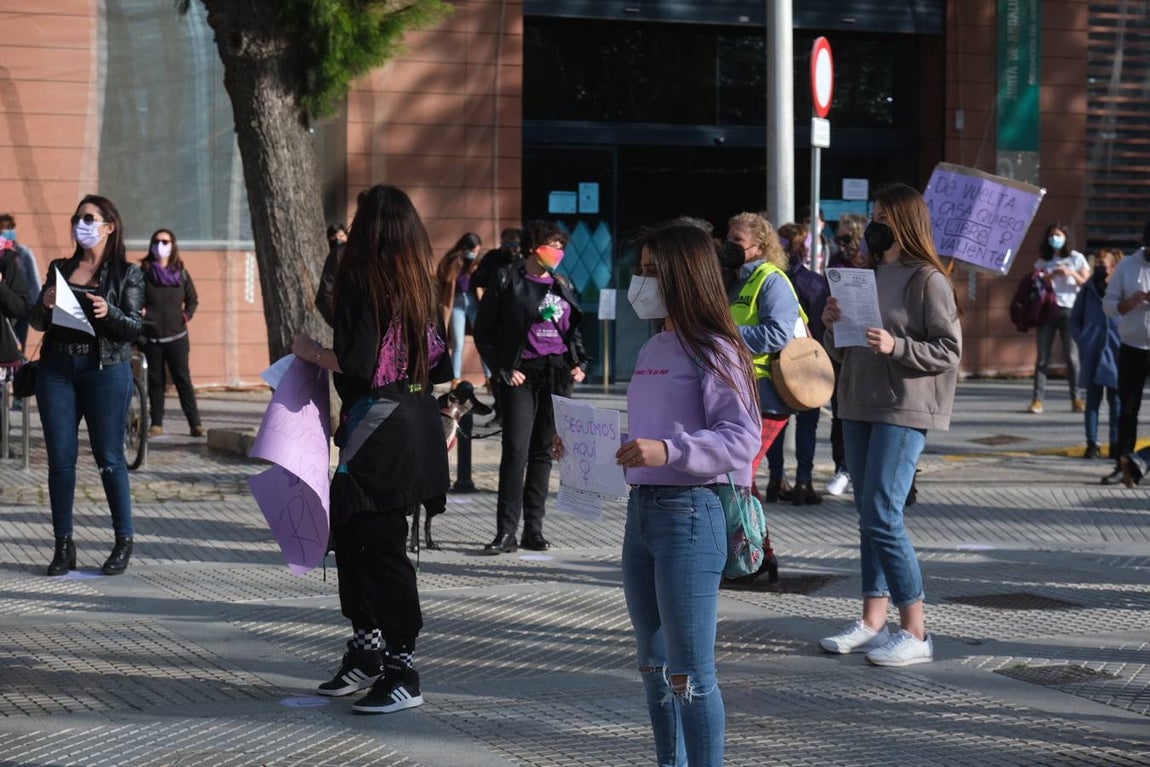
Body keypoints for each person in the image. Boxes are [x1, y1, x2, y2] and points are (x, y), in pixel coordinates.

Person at [556, 222, 759, 767]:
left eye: (652, 271)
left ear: (683, 276)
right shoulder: (654, 346)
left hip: (691, 514)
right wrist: (591, 445)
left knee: (690, 671)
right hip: (642, 514)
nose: (640, 282)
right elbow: (648, 440)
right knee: (653, 664)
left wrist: (669, 451)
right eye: (640, 270)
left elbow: (741, 438)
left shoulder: (716, 349)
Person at [292, 184, 452, 715]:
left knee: (376, 547)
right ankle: (367, 652)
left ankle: (402, 667)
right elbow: (441, 367)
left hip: (379, 431)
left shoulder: (362, 281)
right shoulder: (421, 285)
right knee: (361, 539)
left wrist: (311, 351)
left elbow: (357, 361)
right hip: (413, 424)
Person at [819, 183, 962, 667]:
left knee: (883, 512)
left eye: (883, 216)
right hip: (857, 400)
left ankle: (916, 631)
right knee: (868, 514)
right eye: (872, 215)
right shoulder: (865, 275)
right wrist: (831, 324)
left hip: (904, 406)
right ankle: (872, 621)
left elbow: (949, 349)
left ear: (905, 223)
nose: (873, 224)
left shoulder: (928, 280)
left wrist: (896, 346)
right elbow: (843, 349)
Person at [30, 195, 144, 576]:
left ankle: (123, 540)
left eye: (90, 218)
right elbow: (36, 322)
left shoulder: (128, 274)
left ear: (109, 226)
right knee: (60, 460)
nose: (82, 224)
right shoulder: (60, 268)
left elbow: (134, 327)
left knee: (109, 458)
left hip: (105, 370)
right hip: (57, 369)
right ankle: (63, 544)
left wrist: (108, 312)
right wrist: (45, 303)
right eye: (78, 218)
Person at [473, 220, 589, 554]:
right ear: (534, 247)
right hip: (521, 374)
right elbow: (483, 331)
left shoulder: (563, 283)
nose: (558, 252)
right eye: (552, 245)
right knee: (515, 451)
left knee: (543, 452)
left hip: (556, 373)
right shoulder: (507, 279)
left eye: (561, 247)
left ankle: (533, 530)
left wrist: (579, 362)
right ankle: (506, 532)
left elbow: (573, 330)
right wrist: (503, 369)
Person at [725, 212, 800, 503]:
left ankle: (751, 533)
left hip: (765, 394)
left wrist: (727, 335)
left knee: (740, 477)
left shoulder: (772, 280)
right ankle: (753, 533)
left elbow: (778, 334)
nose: (730, 244)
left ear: (760, 246)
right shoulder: (735, 280)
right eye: (729, 237)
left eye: (737, 239)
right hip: (738, 390)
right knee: (739, 479)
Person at [765, 222, 830, 506]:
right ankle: (804, 480)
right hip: (808, 363)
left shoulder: (769, 280)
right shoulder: (814, 283)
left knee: (777, 422)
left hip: (776, 362)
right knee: (807, 424)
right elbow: (822, 327)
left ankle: (776, 478)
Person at [140, 229, 204, 437]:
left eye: (165, 242)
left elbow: (192, 299)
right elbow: (134, 299)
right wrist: (141, 313)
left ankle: (195, 424)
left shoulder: (181, 273)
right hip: (152, 337)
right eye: (157, 241)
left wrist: (185, 316)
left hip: (177, 337)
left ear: (173, 245)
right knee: (155, 381)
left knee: (182, 379)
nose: (161, 245)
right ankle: (156, 423)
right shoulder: (144, 273)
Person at [1103, 219, 1150, 489]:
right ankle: (1123, 464)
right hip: (1132, 346)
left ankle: (1140, 461)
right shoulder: (1127, 266)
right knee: (1128, 410)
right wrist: (1128, 303)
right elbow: (1108, 305)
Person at [1029, 222, 1091, 414]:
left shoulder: (1076, 258)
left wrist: (1070, 272)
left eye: (1057, 235)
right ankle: (1037, 399)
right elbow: (1034, 283)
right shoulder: (1042, 261)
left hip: (1069, 310)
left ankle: (1077, 398)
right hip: (1048, 310)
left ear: (1065, 237)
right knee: (1042, 357)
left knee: (1072, 357)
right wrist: (1046, 278)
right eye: (1051, 236)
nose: (1054, 239)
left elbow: (1086, 283)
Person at [1069, 249, 1122, 469]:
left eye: (1103, 263)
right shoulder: (1087, 289)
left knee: (1116, 401)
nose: (1100, 266)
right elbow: (1074, 320)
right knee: (1092, 400)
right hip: (1092, 350)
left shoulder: (1121, 288)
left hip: (1116, 350)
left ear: (1113, 266)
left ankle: (1115, 443)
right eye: (1097, 262)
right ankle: (1092, 443)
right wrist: (1083, 339)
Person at [435, 232, 487, 382]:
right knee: (458, 343)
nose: (474, 253)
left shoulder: (478, 261)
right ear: (465, 248)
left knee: (482, 341)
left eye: (477, 251)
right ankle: (455, 379)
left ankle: (489, 378)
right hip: (456, 302)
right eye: (473, 250)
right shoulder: (453, 261)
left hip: (473, 301)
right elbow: (443, 281)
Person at [0, 213, 39, 349]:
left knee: (19, 344)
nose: (10, 231)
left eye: (12, 227)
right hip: (6, 303)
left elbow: (34, 278)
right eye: (6, 228)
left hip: (22, 303)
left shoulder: (23, 252)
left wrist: (36, 303)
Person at [471, 227, 522, 294]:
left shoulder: (523, 260)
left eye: (514, 245)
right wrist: (495, 277)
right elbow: (476, 279)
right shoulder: (492, 256)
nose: (511, 249)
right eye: (507, 245)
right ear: (501, 243)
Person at [315, 222, 347, 328]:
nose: (338, 240)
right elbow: (324, 296)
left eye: (341, 236)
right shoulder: (336, 256)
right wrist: (341, 324)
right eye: (334, 238)